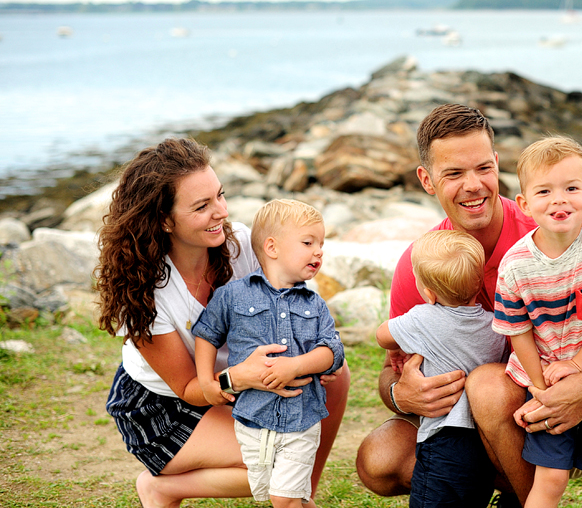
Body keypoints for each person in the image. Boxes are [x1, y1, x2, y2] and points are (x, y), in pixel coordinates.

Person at [355, 103, 582, 506]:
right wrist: (402, 396)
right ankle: (483, 486)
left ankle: (526, 499)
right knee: (379, 460)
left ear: (497, 164)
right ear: (427, 180)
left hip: (554, 418)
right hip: (464, 430)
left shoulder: (554, 232)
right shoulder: (422, 262)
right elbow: (389, 371)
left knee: (487, 385)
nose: (473, 185)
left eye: (483, 168)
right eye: (453, 173)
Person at [96, 138, 349, 508]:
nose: (221, 212)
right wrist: (239, 378)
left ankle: (296, 495)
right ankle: (163, 488)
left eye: (220, 195)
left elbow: (297, 307)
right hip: (167, 404)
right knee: (272, 457)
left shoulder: (246, 246)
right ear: (165, 220)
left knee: (333, 380)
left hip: (238, 382)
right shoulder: (144, 290)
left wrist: (310, 357)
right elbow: (187, 385)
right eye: (202, 206)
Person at [493, 136, 582, 508]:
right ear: (524, 204)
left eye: (572, 188)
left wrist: (579, 366)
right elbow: (517, 330)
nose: (559, 199)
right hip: (546, 383)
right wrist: (541, 388)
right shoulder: (515, 265)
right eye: (544, 191)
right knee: (551, 478)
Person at [192, 199, 344, 508]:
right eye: (308, 242)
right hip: (252, 418)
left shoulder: (314, 305)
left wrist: (297, 366)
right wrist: (207, 381)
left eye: (321, 244)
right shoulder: (233, 296)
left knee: (283, 498)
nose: (319, 251)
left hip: (302, 419)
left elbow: (333, 351)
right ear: (272, 247)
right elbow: (206, 334)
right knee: (281, 494)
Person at [375, 230, 508, 508]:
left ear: (429, 293)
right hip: (485, 440)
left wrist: (395, 346)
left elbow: (382, 335)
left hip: (443, 439)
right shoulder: (496, 326)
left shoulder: (423, 318)